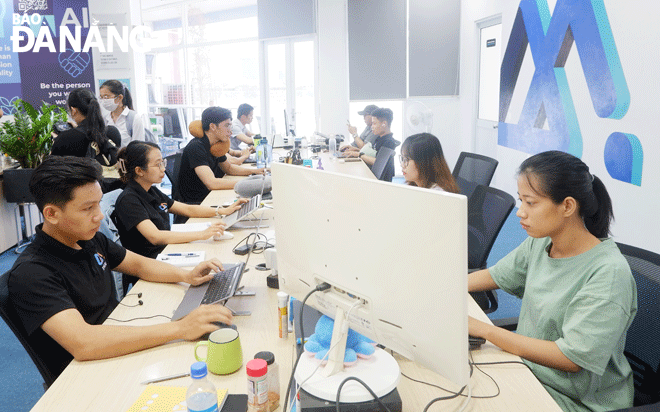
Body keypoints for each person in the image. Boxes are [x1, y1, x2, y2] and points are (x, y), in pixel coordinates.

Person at [7, 156, 233, 381]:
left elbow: (139, 265)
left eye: (98, 203)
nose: (100, 215)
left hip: (118, 341)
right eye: (88, 208)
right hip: (88, 374)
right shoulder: (32, 272)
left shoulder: (88, 239)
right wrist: (180, 328)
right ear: (51, 214)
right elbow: (84, 342)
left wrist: (186, 275)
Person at [468, 151, 637, 412]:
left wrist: (486, 330)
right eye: (520, 200)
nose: (520, 212)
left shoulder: (608, 273)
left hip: (572, 399)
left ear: (568, 206)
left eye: (531, 203)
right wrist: (446, 284)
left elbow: (570, 357)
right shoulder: (542, 241)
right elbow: (496, 275)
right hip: (527, 370)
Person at [113, 141, 247, 259]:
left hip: (167, 250)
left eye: (162, 162)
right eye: (158, 164)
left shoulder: (150, 190)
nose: (163, 169)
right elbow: (155, 237)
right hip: (153, 261)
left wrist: (222, 211)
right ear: (139, 170)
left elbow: (187, 209)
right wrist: (202, 234)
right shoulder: (129, 200)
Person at [178, 107, 266, 205]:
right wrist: (246, 183)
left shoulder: (216, 145)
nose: (230, 131)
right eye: (227, 126)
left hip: (210, 196)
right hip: (197, 202)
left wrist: (254, 172)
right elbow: (211, 183)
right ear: (213, 126)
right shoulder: (196, 147)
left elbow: (229, 168)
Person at [51, 88, 120, 167]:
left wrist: (57, 140)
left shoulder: (64, 139)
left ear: (73, 110)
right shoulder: (112, 132)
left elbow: (54, 170)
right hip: (110, 178)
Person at [345, 107, 400, 182]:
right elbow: (374, 154)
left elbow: (377, 162)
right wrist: (355, 151)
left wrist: (359, 154)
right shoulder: (380, 138)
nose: (372, 127)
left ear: (384, 124)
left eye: (374, 123)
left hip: (379, 182)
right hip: (371, 175)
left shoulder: (388, 142)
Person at [100, 80, 145, 148]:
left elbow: (139, 148)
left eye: (106, 97)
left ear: (119, 98)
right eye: (101, 97)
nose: (103, 101)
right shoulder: (105, 119)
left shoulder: (134, 118)